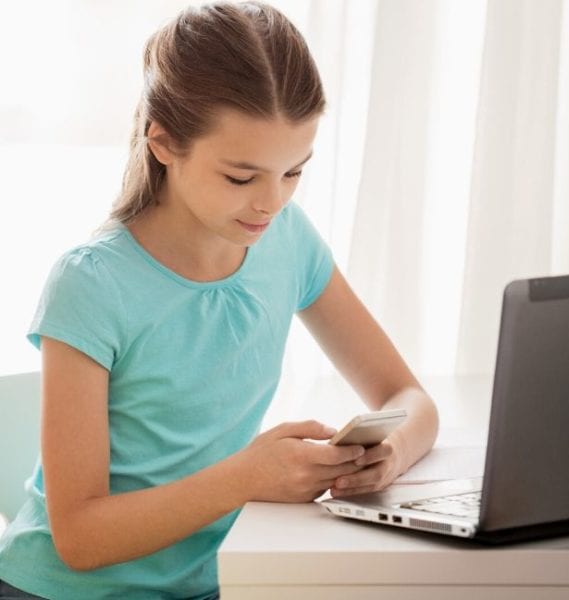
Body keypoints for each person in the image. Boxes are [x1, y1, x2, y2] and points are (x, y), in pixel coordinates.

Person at [0, 2, 439, 598]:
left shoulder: (288, 241)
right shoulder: (92, 284)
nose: (270, 203)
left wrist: (389, 452)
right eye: (241, 177)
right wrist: (247, 477)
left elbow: (408, 398)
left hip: (217, 582)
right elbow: (79, 538)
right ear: (163, 142)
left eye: (293, 172)